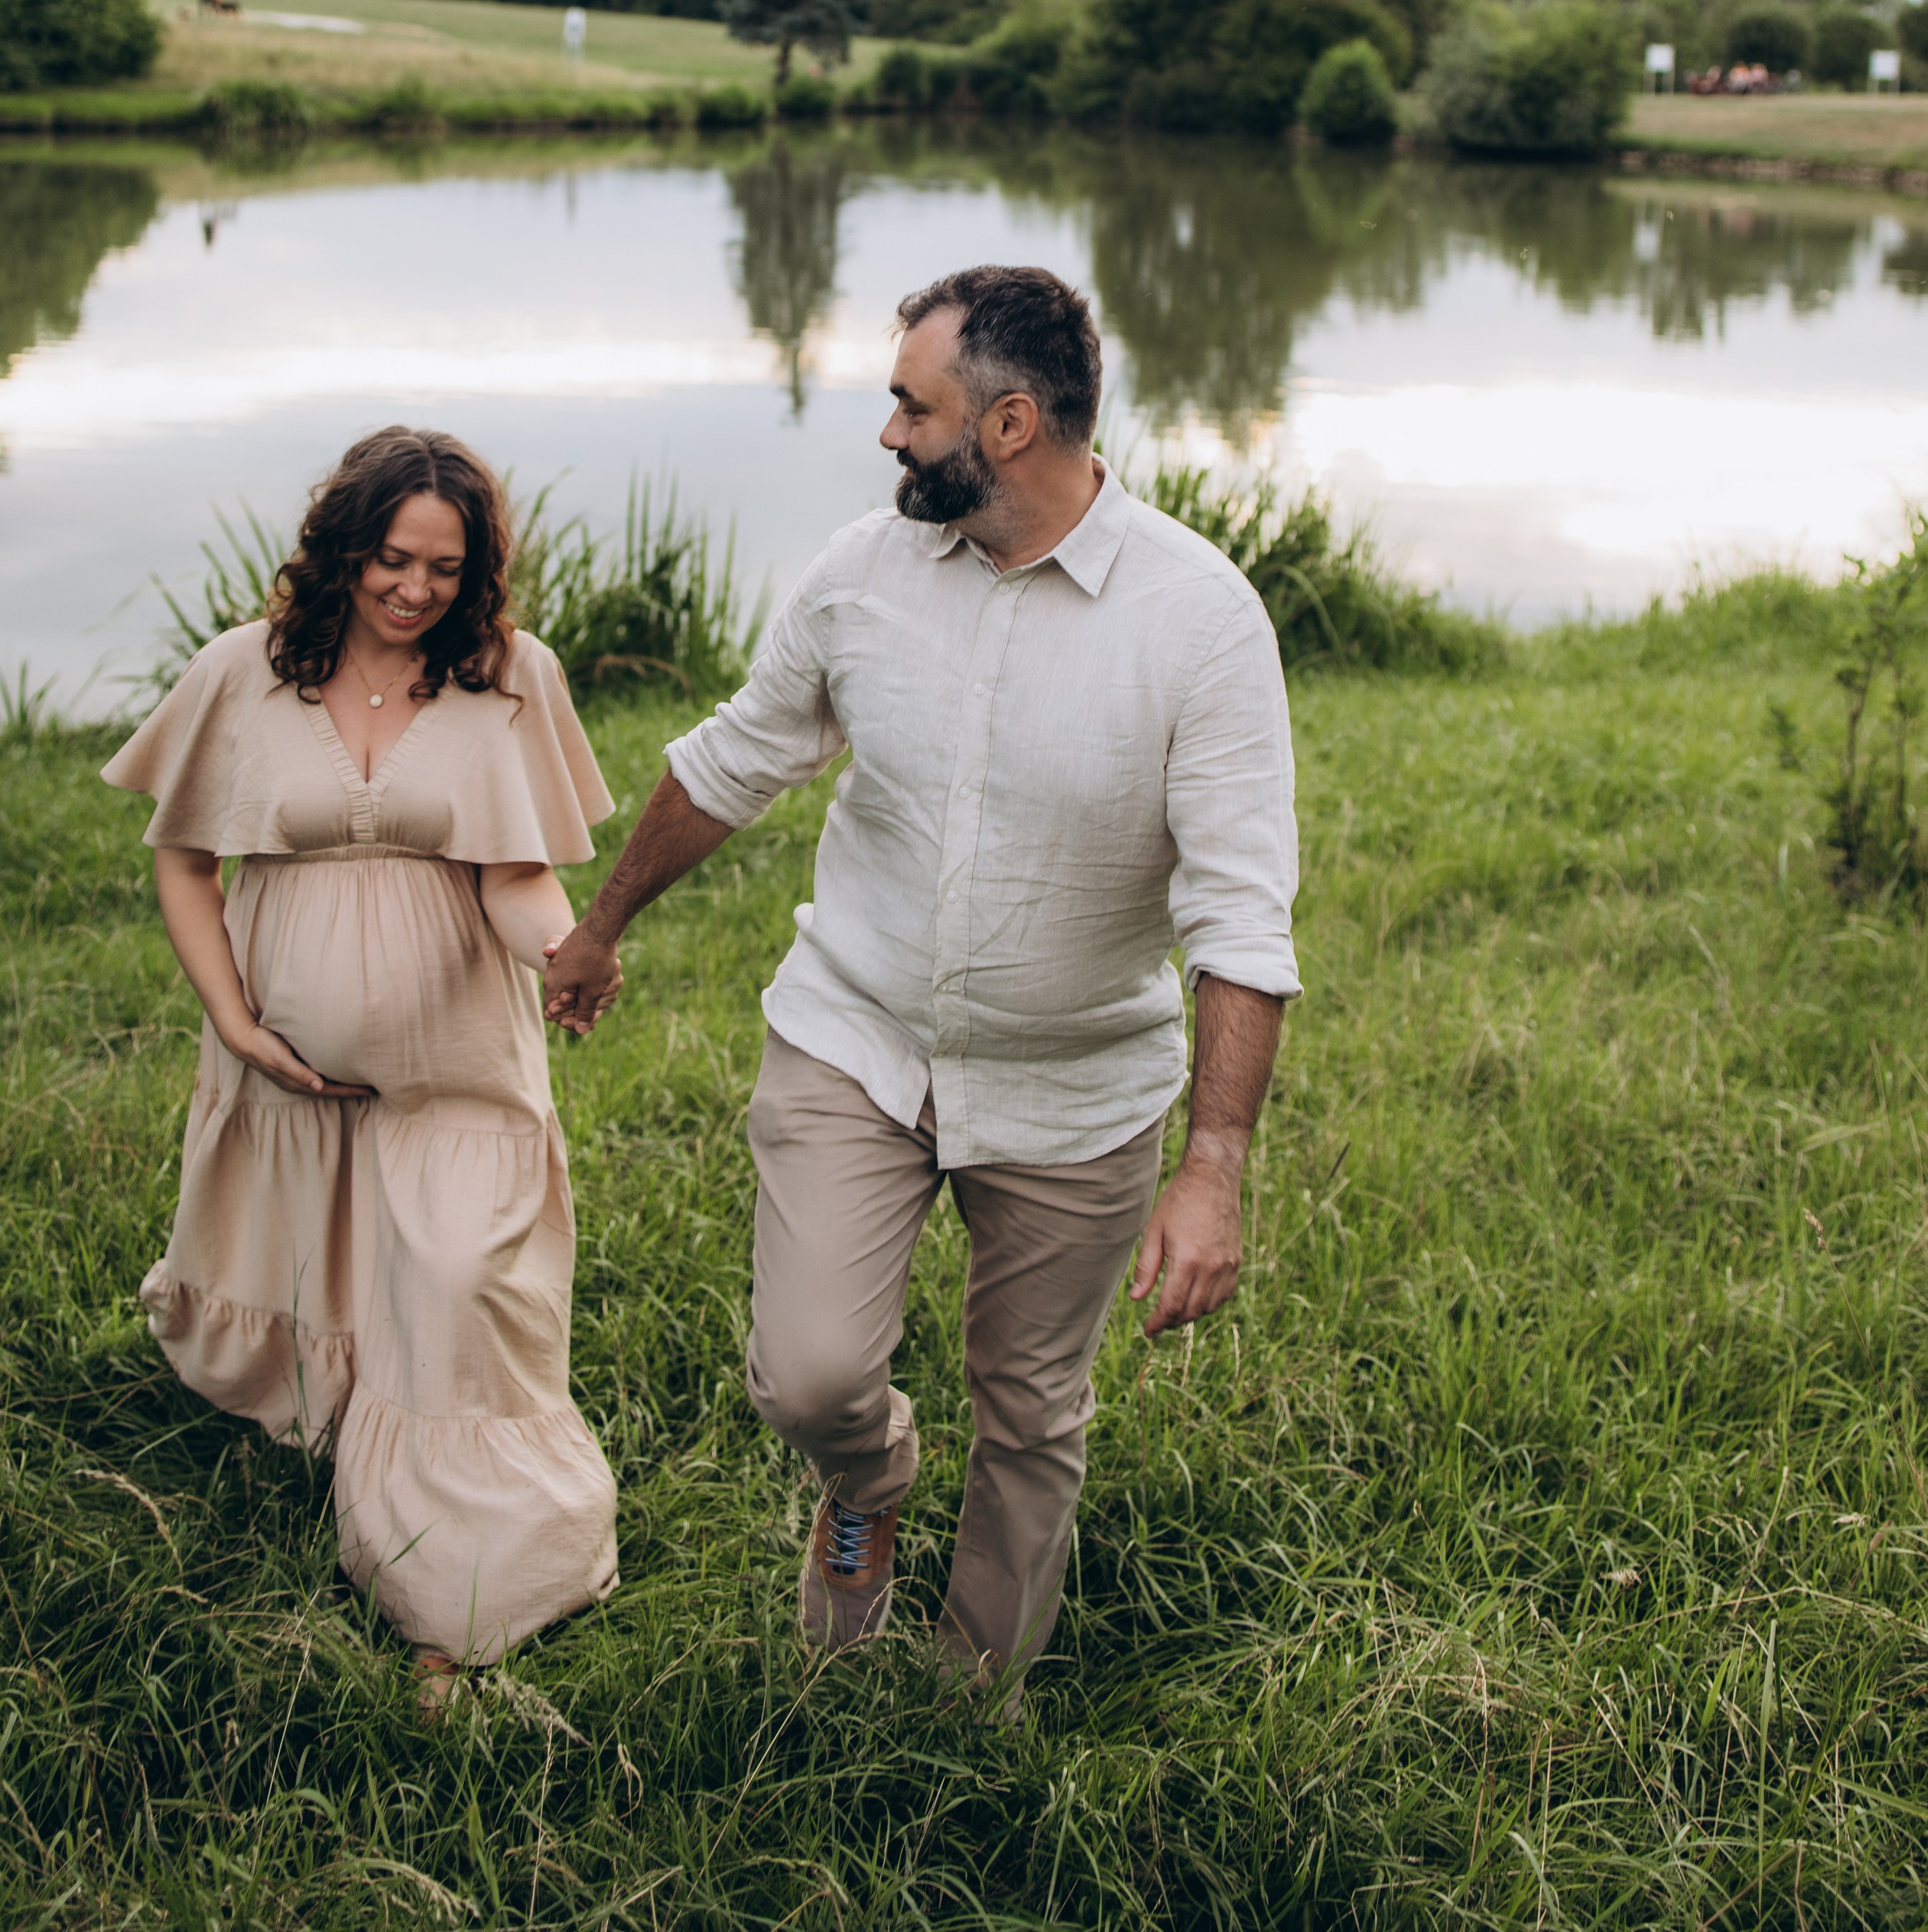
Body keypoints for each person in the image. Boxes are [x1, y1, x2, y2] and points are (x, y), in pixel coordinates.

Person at [544, 265, 1300, 1708]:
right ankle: (867, 1481)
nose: (888, 434)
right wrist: (603, 924)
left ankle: (974, 1696)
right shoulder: (859, 575)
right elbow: (732, 759)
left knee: (1032, 1414)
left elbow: (1239, 915)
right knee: (809, 1373)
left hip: (1077, 1087)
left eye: (912, 406)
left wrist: (1215, 1165)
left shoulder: (1202, 623)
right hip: (858, 1039)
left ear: (1011, 424)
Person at [103, 425, 619, 1696]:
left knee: (453, 1291)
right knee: (330, 1274)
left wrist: (564, 952)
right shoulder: (246, 673)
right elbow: (184, 859)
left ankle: (464, 1590)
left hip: (459, 1067)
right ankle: (345, 1440)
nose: (415, 591)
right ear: (342, 548)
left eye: (446, 569)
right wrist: (234, 1019)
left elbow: (513, 873)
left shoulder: (508, 676)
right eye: (392, 559)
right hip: (284, 1068)